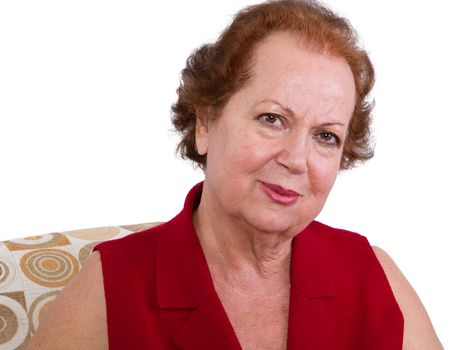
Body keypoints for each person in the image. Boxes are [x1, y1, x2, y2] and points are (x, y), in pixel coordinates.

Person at [28, 0, 443, 349]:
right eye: (272, 118)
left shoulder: (372, 274)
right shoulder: (111, 286)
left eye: (326, 136)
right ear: (206, 123)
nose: (297, 159)